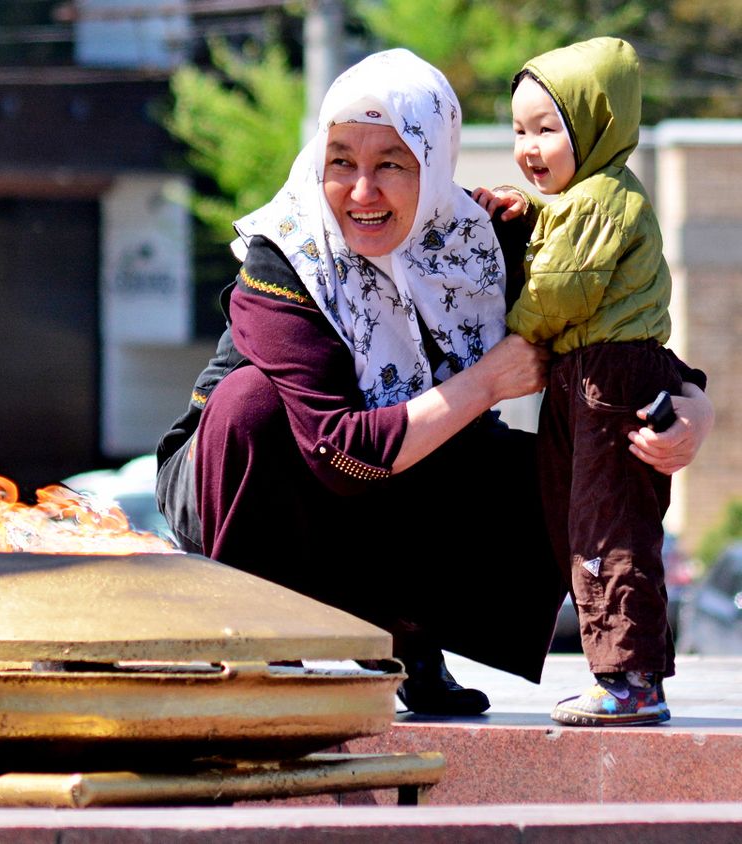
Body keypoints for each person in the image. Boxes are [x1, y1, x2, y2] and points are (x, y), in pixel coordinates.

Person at [156, 48, 713, 716]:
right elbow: (338, 451)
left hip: (404, 478)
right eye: (342, 163)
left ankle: (408, 635)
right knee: (249, 405)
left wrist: (688, 403)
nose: (362, 192)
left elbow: (610, 330)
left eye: (391, 163)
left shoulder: (481, 242)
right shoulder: (287, 259)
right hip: (255, 484)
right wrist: (483, 383)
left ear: (435, 159)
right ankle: (258, 640)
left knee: (568, 455)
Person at [471, 37, 709, 726]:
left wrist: (507, 333)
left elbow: (559, 291)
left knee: (608, 524)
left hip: (608, 373)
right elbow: (556, 236)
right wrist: (522, 211)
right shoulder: (582, 198)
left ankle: (630, 679)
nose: (529, 146)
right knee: (579, 523)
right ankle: (624, 673)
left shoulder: (603, 199)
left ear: (598, 124)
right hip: (587, 376)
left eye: (549, 129)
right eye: (520, 130)